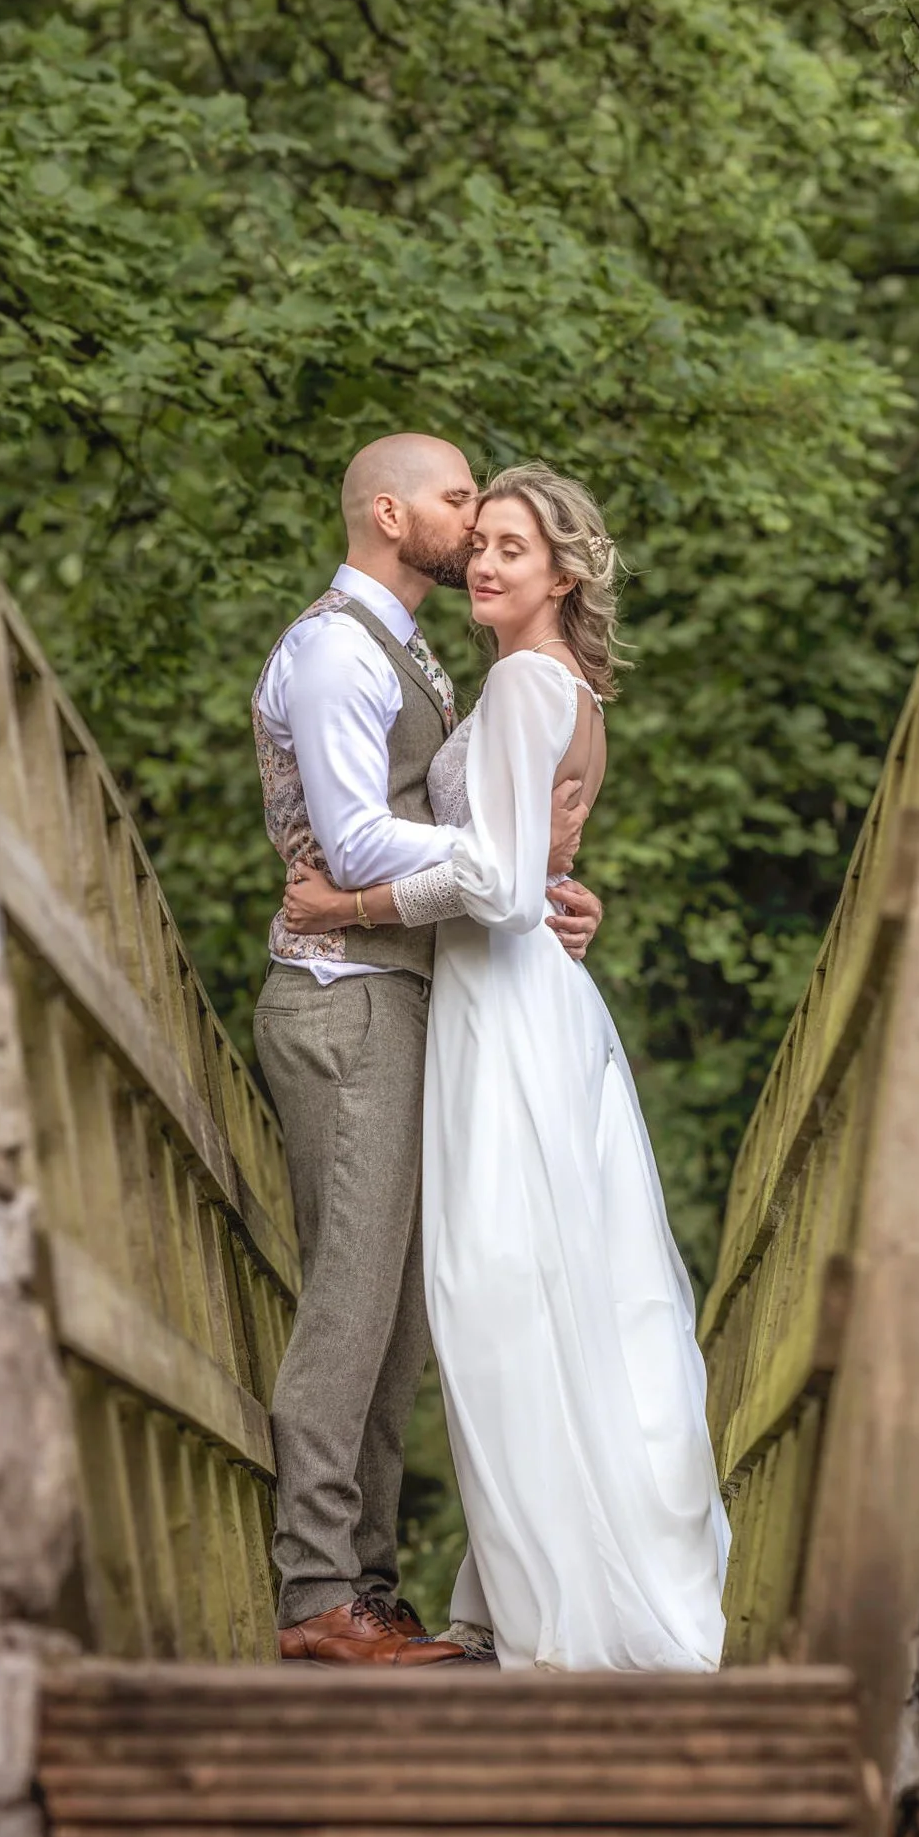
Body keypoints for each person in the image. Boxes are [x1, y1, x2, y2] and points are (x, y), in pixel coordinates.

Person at [284, 462, 728, 1673]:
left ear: (564, 573)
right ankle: (517, 1591)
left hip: (506, 1008)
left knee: (503, 1295)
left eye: (513, 549)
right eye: (477, 542)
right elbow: (520, 869)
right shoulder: (535, 682)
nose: (484, 562)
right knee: (517, 1295)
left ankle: (547, 1600)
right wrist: (539, 892)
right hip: (503, 990)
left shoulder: (532, 682)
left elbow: (494, 877)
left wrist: (348, 897)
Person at [252, 433, 601, 1668]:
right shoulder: (338, 650)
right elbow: (350, 843)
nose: (472, 521)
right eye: (460, 502)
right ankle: (313, 1593)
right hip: (343, 996)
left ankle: (370, 1585)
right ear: (392, 515)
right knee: (351, 1299)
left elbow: (485, 831)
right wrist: (497, 872)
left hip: (402, 992)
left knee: (397, 1314)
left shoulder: (408, 653)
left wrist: (537, 881)